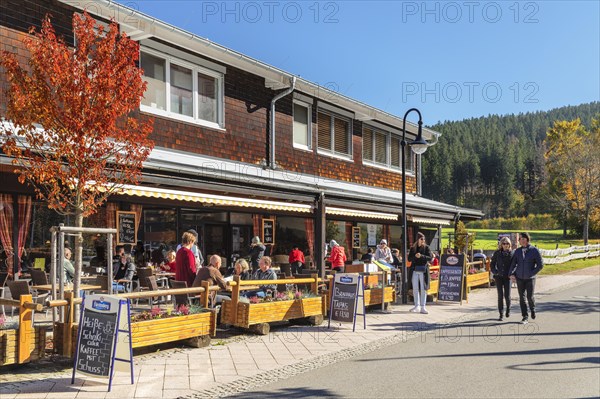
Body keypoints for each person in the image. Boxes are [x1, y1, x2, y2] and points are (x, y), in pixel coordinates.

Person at [510, 232, 543, 324]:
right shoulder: (517, 251)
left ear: (526, 239)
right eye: (519, 239)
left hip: (530, 278)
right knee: (522, 297)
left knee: (529, 296)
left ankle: (532, 309)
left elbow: (540, 265)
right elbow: (513, 264)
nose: (520, 240)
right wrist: (511, 274)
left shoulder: (534, 250)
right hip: (520, 277)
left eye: (522, 238)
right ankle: (525, 316)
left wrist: (531, 273)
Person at [408, 232, 432, 314]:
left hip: (423, 270)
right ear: (418, 239)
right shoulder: (413, 248)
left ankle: (423, 306)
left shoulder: (426, 248)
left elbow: (430, 258)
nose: (423, 240)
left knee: (423, 288)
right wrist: (415, 256)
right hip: (414, 270)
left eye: (424, 239)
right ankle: (416, 305)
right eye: (422, 239)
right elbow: (409, 259)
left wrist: (421, 256)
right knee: (415, 288)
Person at [491, 237, 514, 321]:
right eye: (504, 243)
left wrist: (512, 273)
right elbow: (492, 264)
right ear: (501, 244)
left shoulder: (512, 253)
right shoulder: (497, 253)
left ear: (509, 244)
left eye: (507, 243)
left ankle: (508, 309)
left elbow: (515, 265)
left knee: (507, 295)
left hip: (508, 277)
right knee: (500, 296)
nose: (505, 245)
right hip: (499, 277)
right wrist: (495, 272)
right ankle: (501, 314)